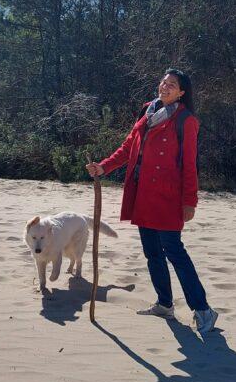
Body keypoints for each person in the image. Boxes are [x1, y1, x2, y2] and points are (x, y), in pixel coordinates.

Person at [85, 68, 219, 338]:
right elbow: (128, 148)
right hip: (143, 195)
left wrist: (189, 202)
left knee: (175, 253)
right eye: (163, 83)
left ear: (182, 92)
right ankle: (165, 304)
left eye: (172, 85)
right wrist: (104, 167)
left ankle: (203, 310)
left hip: (169, 198)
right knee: (152, 253)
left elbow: (190, 165)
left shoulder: (186, 120)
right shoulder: (147, 111)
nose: (165, 87)